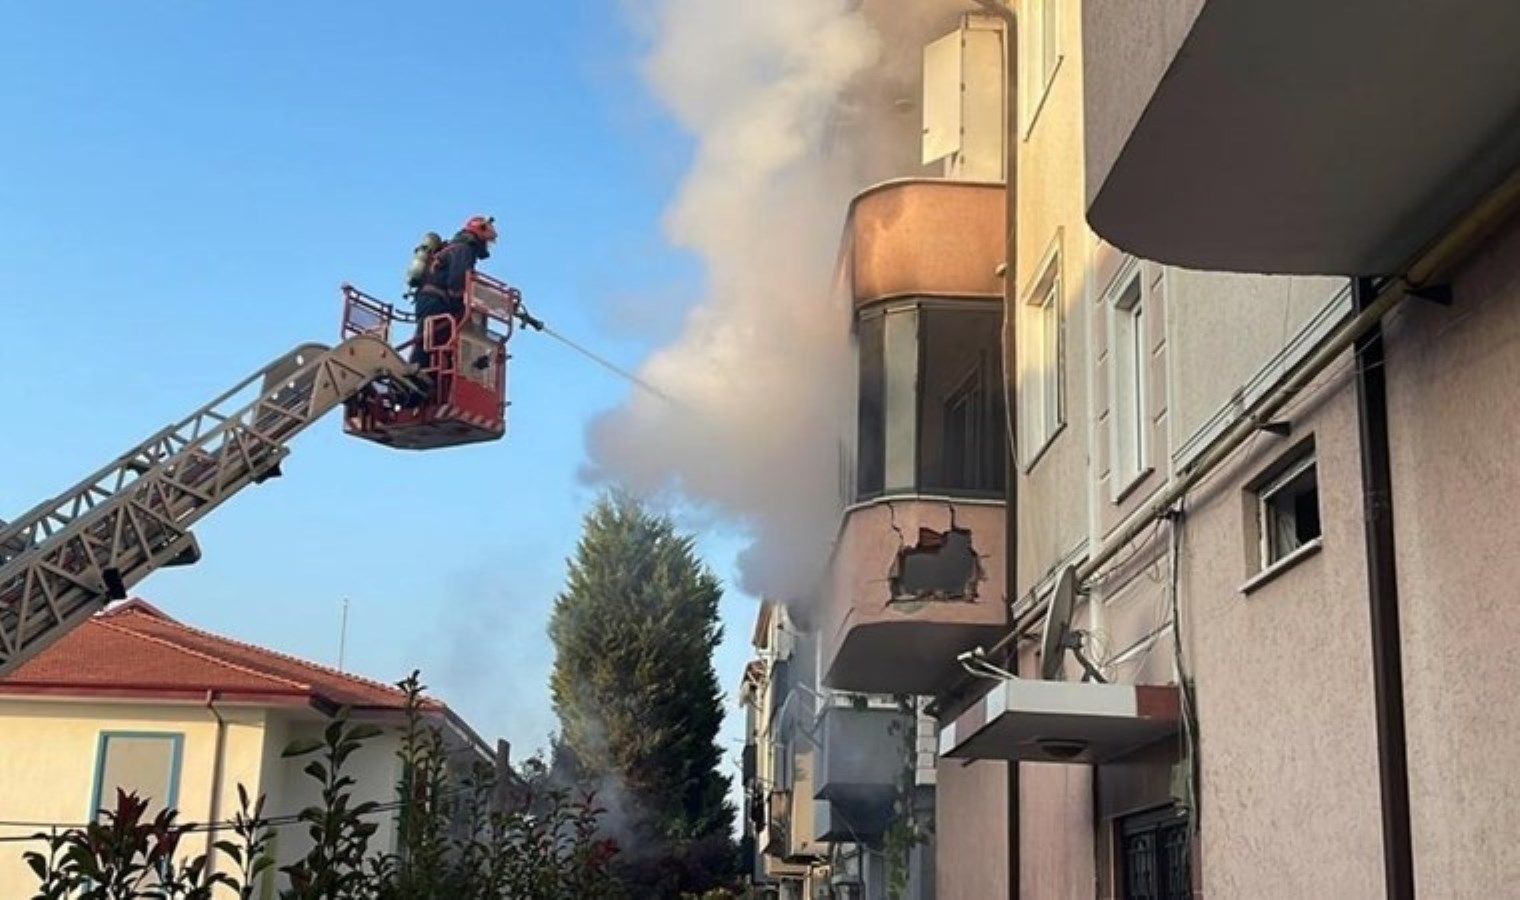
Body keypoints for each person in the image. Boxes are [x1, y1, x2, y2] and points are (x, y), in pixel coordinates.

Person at [410, 215, 498, 367]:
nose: (488, 245)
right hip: (436, 301)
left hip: (428, 300)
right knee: (458, 328)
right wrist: (469, 303)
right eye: (487, 241)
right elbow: (457, 284)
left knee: (428, 340)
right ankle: (458, 365)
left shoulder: (454, 248)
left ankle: (422, 369)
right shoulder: (464, 250)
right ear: (480, 234)